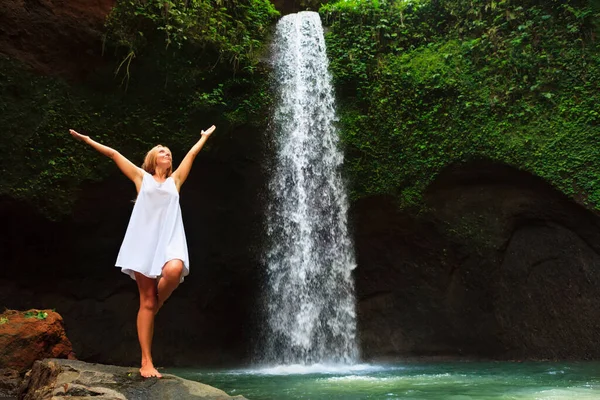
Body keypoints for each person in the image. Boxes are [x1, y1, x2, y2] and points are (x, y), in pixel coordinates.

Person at [69, 125, 216, 378]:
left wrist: (202, 138)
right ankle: (146, 361)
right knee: (145, 301)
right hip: (144, 242)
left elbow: (191, 155)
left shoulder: (176, 180)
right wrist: (89, 140)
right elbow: (114, 155)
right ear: (152, 158)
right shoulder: (141, 178)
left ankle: (158, 302)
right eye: (162, 151)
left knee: (174, 269)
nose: (167, 154)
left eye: (169, 152)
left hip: (170, 239)